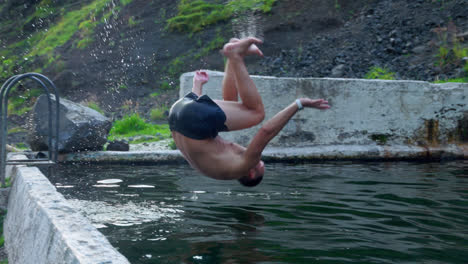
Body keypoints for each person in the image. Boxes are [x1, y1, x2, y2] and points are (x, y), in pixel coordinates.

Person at [169, 37, 330, 187]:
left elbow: (266, 131)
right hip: (177, 113)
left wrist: (299, 104)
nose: (257, 158)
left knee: (256, 114)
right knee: (235, 107)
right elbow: (187, 127)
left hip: (192, 120)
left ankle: (235, 55)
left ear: (251, 173)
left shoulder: (243, 165)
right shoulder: (215, 163)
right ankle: (232, 56)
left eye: (260, 163)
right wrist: (197, 86)